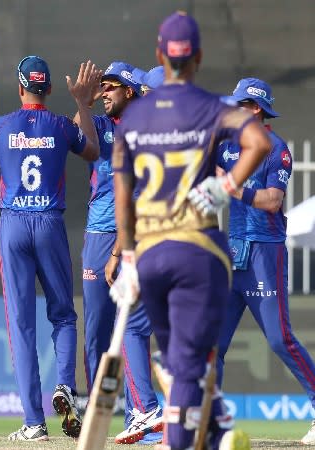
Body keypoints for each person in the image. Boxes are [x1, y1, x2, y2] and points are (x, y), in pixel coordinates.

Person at [111, 11, 271, 450]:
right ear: (198, 56)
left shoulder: (135, 118)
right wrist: (226, 185)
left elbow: (122, 195)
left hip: (150, 254)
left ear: (159, 55)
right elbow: (260, 142)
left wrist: (127, 258)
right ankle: (204, 426)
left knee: (180, 363)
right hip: (199, 251)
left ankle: (214, 424)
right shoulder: (211, 106)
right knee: (187, 368)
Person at [0, 57, 100, 441]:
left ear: (19, 88)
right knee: (63, 315)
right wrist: (83, 104)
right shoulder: (62, 126)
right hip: (49, 222)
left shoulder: (0, 128)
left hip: (14, 223)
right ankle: (65, 385)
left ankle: (34, 423)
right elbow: (93, 152)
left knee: (21, 325)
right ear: (48, 89)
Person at [216, 78, 315, 445]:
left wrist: (231, 187)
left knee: (279, 339)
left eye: (238, 104)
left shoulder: (277, 149)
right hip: (233, 252)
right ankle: (211, 420)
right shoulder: (226, 144)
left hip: (265, 252)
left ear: (255, 109)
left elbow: (273, 200)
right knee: (213, 345)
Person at [77, 61, 163, 445]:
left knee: (131, 325)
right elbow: (69, 134)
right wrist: (86, 102)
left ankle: (139, 412)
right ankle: (103, 410)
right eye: (104, 86)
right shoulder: (101, 125)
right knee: (98, 330)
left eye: (113, 86)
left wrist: (119, 249)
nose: (106, 92)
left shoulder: (145, 132)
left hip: (133, 236)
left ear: (131, 91)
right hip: (101, 234)